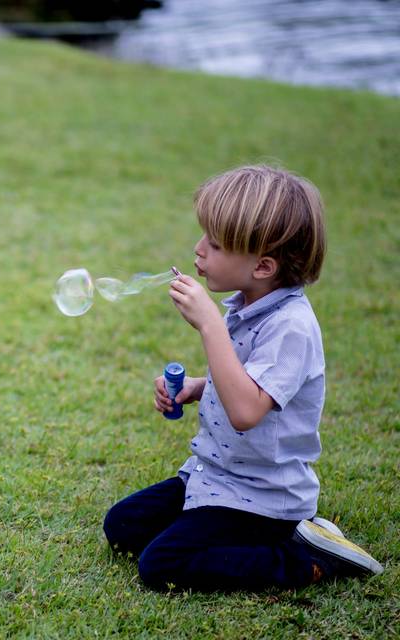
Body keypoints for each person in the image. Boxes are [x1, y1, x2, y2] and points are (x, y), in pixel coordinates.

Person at [102, 165, 384, 591]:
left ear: (263, 266)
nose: (198, 250)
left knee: (160, 565)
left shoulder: (292, 327)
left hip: (263, 498)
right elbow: (243, 380)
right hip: (215, 476)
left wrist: (210, 326)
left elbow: (247, 410)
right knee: (122, 525)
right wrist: (198, 387)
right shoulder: (249, 304)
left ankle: (305, 556)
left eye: (214, 244)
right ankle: (214, 528)